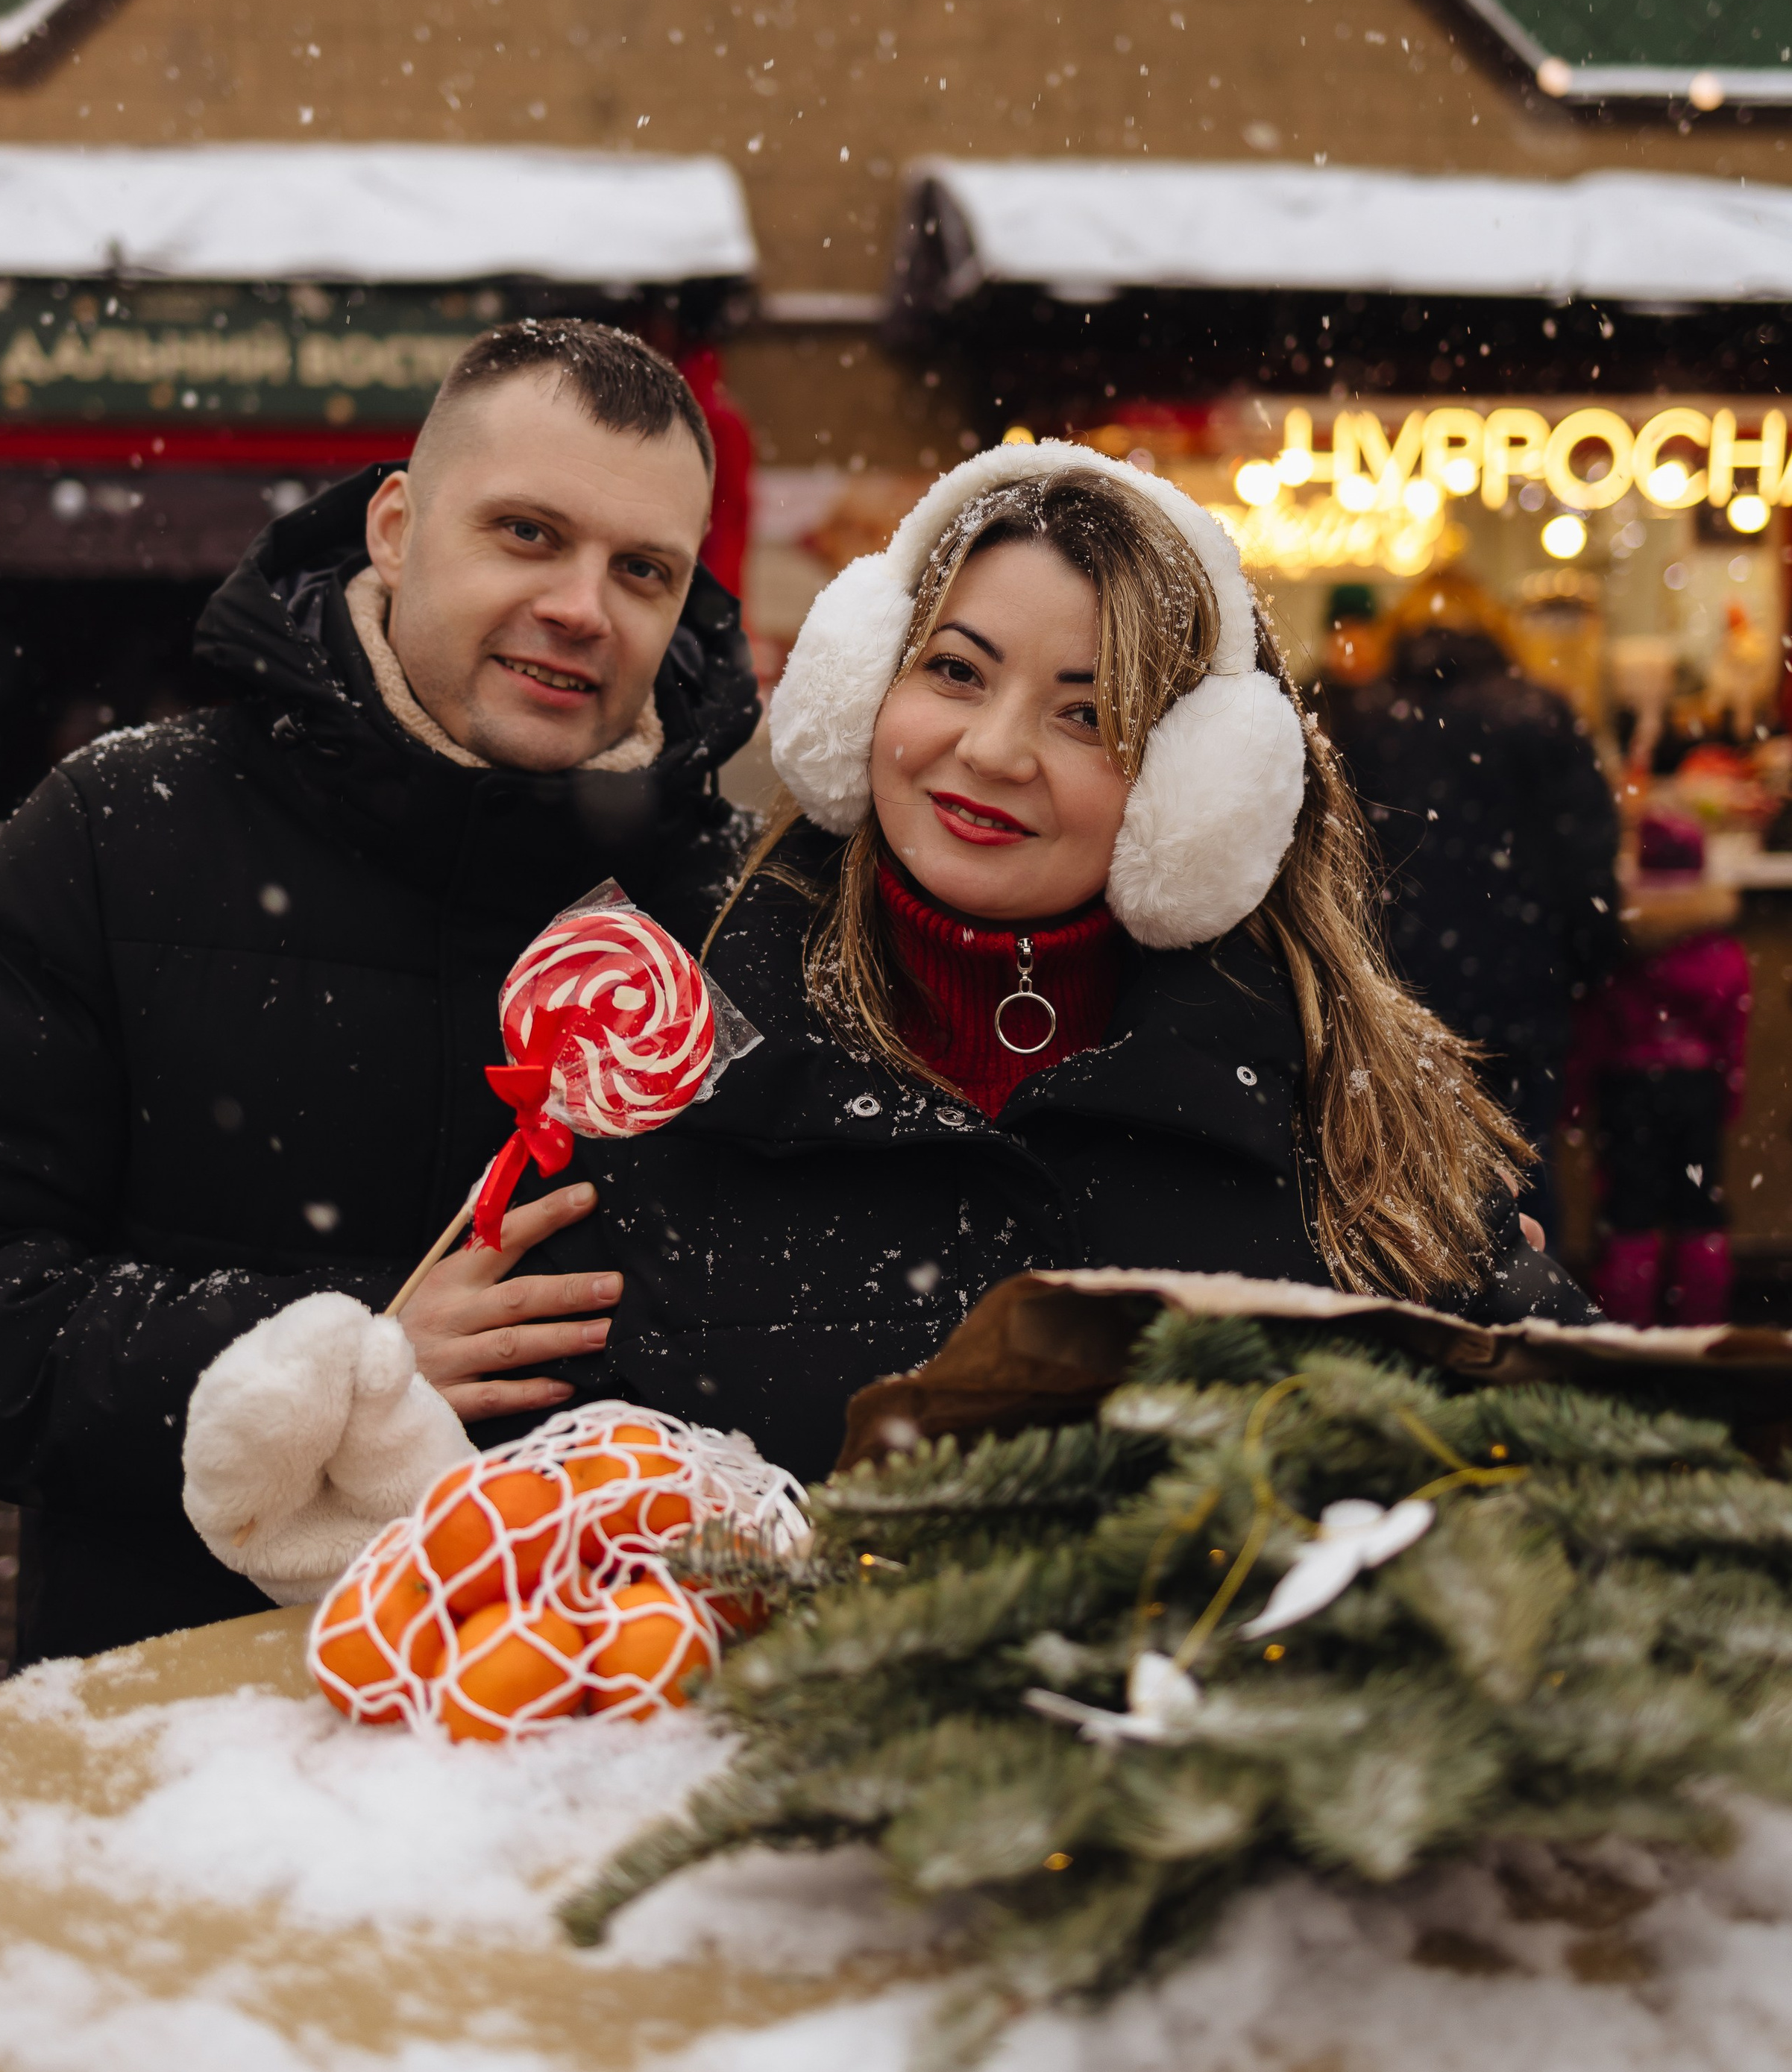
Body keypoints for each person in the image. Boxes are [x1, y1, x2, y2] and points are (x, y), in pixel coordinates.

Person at [0, 321, 758, 1661]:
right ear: (398, 529)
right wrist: (326, 1361)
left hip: (600, 1729)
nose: (585, 605)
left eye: (643, 568)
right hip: (180, 1733)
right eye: (527, 532)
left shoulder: (743, 910)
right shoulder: (125, 832)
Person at [520, 444, 1588, 1481]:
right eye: (954, 670)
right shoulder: (666, 1045)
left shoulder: (1339, 1112)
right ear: (865, 687)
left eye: (1089, 714)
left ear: (1199, 790)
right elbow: (541, 1502)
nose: (993, 749)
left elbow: (1581, 1478)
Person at [1321, 572, 1620, 1242]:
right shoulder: (1540, 712)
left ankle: (1434, 1326)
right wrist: (1588, 964)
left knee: (1406, 1173)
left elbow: (1338, 861)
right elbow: (1586, 860)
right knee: (1526, 1154)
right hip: (1522, 983)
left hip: (1400, 986)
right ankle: (1537, 1316)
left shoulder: (1366, 719)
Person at [1565, 811, 1751, 1327]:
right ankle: (1701, 1325)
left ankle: (1625, 1330)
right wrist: (1728, 1092)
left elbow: (1595, 1032)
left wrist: (1578, 1095)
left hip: (1627, 1092)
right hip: (1697, 1091)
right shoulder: (1721, 952)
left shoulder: (1623, 951)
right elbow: (1731, 1033)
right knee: (1700, 1210)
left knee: (1627, 1212)